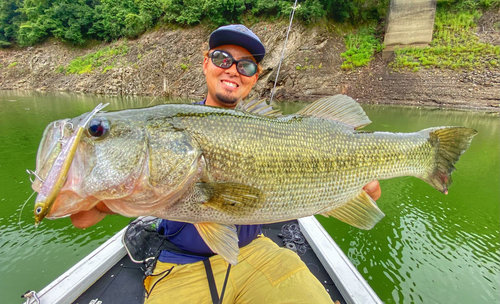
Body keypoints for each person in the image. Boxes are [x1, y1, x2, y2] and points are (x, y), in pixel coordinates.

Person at [71, 24, 381, 303]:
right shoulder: (172, 123)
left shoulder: (267, 128)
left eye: (245, 65)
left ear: (254, 77)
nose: (232, 69)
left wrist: (354, 193)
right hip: (180, 264)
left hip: (254, 252)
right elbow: (82, 218)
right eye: (222, 59)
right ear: (206, 62)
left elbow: (359, 192)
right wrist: (83, 191)